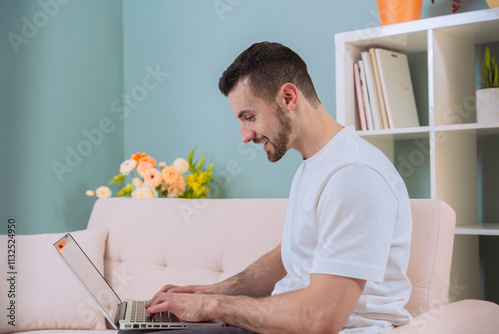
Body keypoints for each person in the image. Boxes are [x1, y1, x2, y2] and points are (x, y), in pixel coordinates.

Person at [146, 42, 412, 334]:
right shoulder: (314, 165)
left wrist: (214, 307)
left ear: (288, 97)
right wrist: (211, 293)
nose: (245, 136)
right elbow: (290, 256)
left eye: (249, 117)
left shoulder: (354, 175)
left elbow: (320, 318)